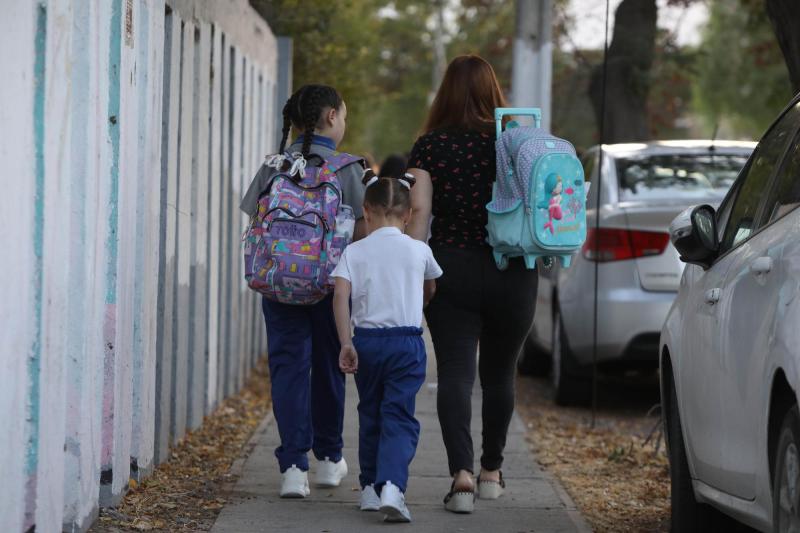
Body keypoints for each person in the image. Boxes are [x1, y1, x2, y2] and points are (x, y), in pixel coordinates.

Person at [405, 55, 539, 513]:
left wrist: (414, 268)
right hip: (514, 267)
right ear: (493, 91)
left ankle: (460, 477)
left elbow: (419, 213)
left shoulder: (429, 146)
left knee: (455, 375)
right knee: (501, 374)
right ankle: (491, 473)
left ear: (446, 93)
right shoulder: (517, 143)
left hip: (451, 268)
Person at [240, 84, 366, 498]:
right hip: (332, 289)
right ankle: (329, 460)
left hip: (278, 285)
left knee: (288, 369)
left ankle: (293, 466)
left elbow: (253, 215)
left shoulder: (275, 165)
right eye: (343, 115)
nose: (343, 122)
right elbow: (364, 234)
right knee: (332, 366)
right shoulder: (349, 169)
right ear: (331, 116)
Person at [331, 174, 443, 523]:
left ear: (366, 211)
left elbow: (339, 296)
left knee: (371, 414)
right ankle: (392, 486)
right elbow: (430, 290)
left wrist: (346, 343)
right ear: (408, 215)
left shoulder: (353, 251)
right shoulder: (420, 250)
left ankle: (369, 489)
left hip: (366, 343)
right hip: (406, 343)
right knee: (399, 417)